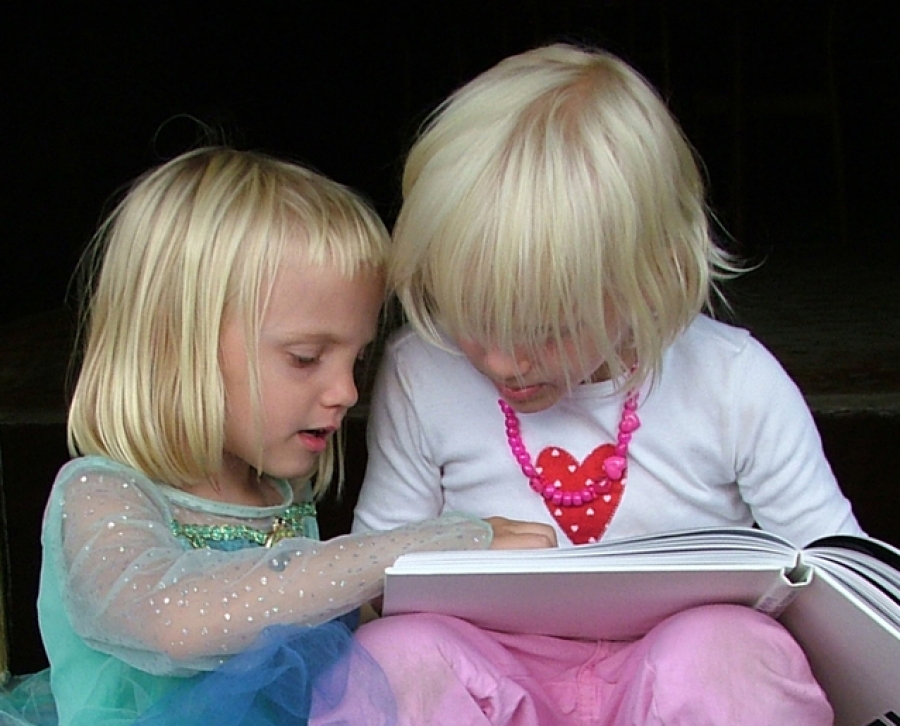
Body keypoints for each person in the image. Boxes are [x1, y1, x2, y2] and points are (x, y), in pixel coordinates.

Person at [351, 44, 864, 724]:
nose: (502, 361)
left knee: (729, 654)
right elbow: (371, 577)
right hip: (493, 672)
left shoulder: (732, 381)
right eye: (469, 320)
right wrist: (453, 546)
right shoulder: (424, 371)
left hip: (673, 678)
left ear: (651, 279)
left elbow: (843, 580)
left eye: (547, 331)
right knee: (393, 657)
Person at [0, 147, 555, 726]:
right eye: (306, 357)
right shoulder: (102, 492)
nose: (346, 391)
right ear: (177, 345)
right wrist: (423, 545)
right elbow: (174, 625)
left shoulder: (283, 498)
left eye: (356, 359)